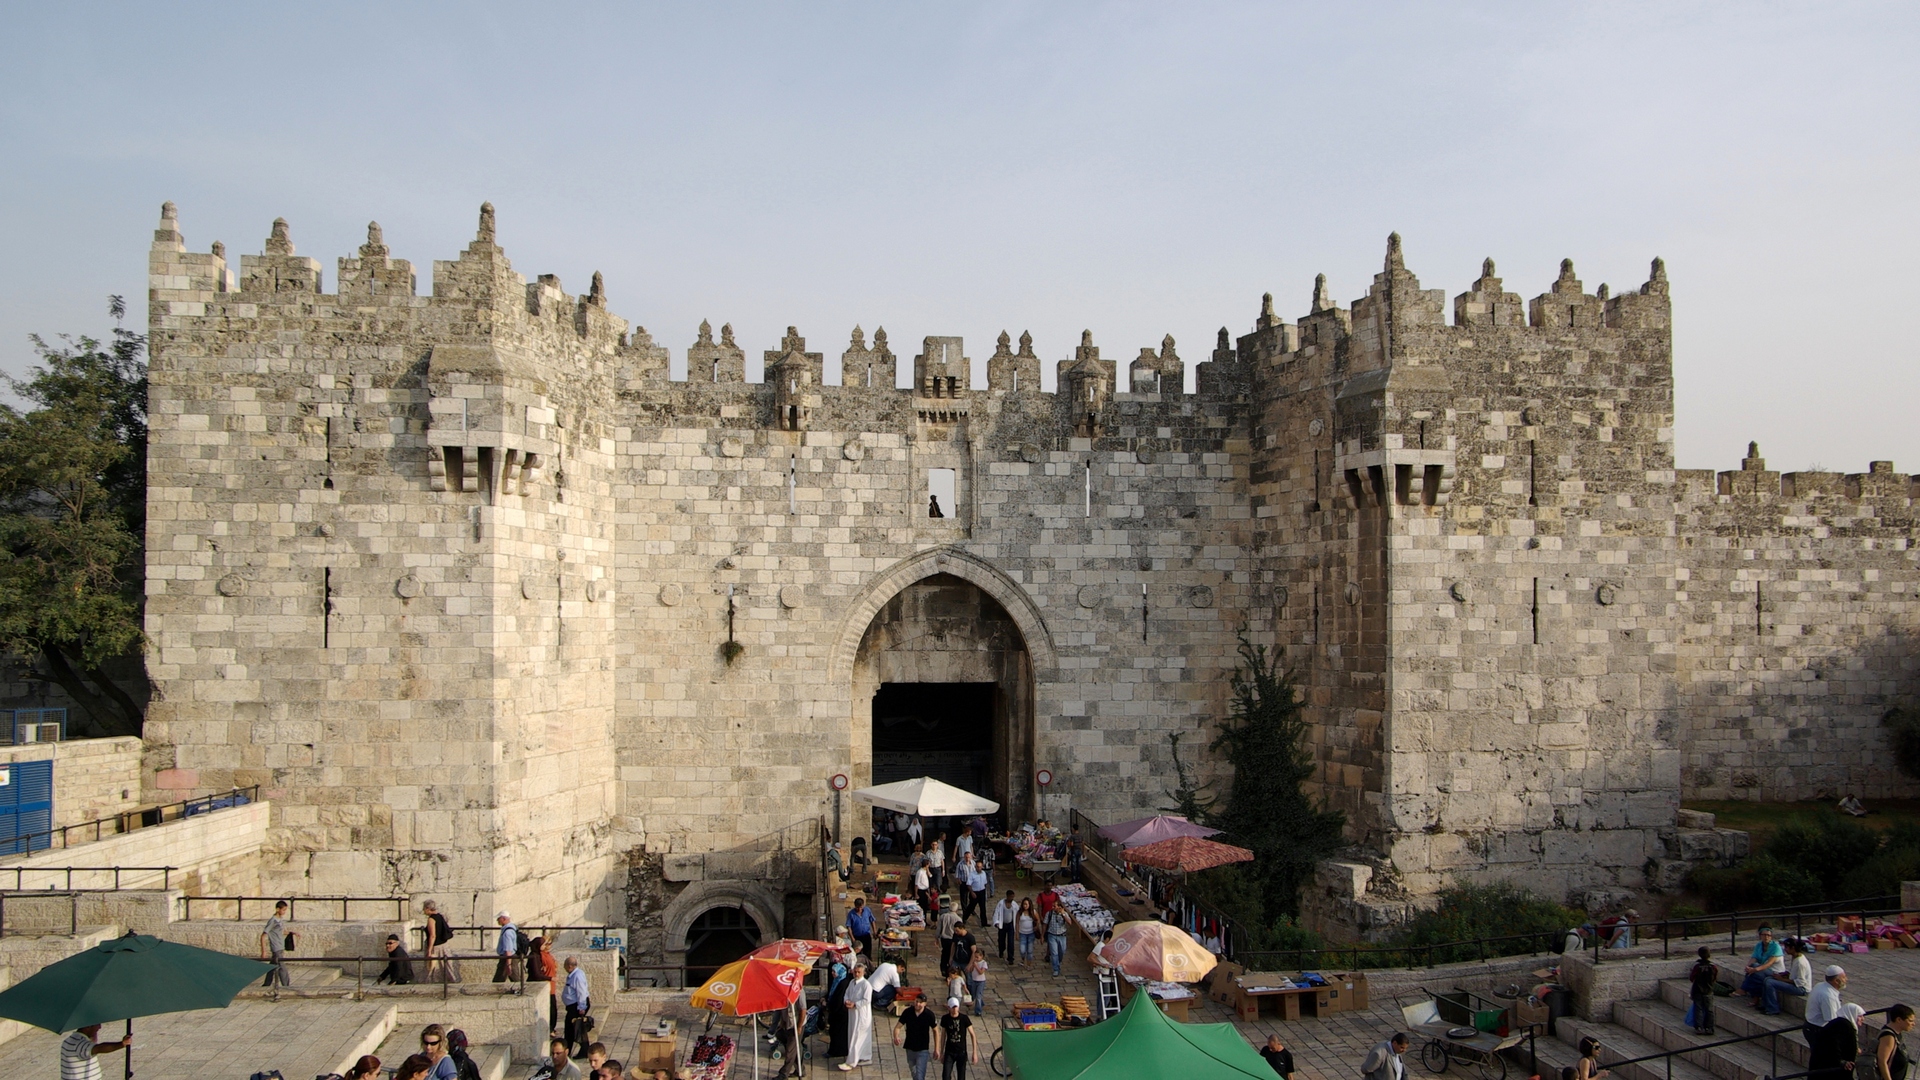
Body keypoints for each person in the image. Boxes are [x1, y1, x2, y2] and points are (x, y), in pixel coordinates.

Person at [1812, 1004, 1867, 1080]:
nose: (1863, 1019)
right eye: (1860, 1016)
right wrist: (1841, 1062)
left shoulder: (1842, 1024)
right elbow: (1832, 1046)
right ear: (1852, 1013)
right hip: (1830, 1069)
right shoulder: (1843, 1025)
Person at [1761, 937, 1813, 1016]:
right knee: (1767, 979)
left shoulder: (1800, 962)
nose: (1785, 949)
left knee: (1769, 983)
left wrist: (1781, 979)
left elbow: (1800, 982)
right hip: (1796, 984)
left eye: (1786, 947)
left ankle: (1773, 1009)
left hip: (1802, 989)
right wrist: (1785, 974)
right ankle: (1765, 1005)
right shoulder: (1795, 957)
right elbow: (1794, 974)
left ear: (1793, 948)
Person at [59, 1023, 131, 1080]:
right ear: (88, 1027)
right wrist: (122, 1044)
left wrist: (92, 1037)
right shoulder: (79, 1045)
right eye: (97, 1024)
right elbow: (99, 1048)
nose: (100, 1027)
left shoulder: (70, 1040)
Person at [1809, 967, 1850, 1067]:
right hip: (1817, 1029)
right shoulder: (1828, 996)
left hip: (1812, 1026)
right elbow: (1832, 1021)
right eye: (1844, 977)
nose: (1846, 979)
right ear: (1836, 980)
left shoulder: (1821, 986)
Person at [895, 993, 940, 1080]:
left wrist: (937, 1048)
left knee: (920, 1076)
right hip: (910, 1047)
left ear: (925, 1004)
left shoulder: (929, 1015)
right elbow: (898, 1027)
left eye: (920, 1002)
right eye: (916, 1001)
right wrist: (896, 1036)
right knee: (914, 1073)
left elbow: (936, 1031)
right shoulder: (908, 1012)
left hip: (922, 1049)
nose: (918, 1004)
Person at [840, 959, 874, 1071]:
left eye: (859, 972)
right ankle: (863, 1056)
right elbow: (847, 994)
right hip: (852, 1013)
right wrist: (846, 1001)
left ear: (863, 972)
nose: (856, 974)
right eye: (855, 972)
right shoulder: (852, 982)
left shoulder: (866, 985)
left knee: (858, 1036)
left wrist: (855, 1004)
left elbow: (866, 1000)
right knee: (852, 1034)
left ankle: (852, 1061)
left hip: (861, 1014)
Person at [1737, 926, 1786, 997]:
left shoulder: (1776, 947)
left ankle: (1743, 989)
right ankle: (1754, 997)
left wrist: (1755, 969)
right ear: (1760, 936)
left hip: (1775, 972)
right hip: (1763, 969)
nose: (1766, 937)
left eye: (1768, 935)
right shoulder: (1759, 945)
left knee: (1754, 971)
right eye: (1764, 935)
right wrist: (1748, 967)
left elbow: (1769, 963)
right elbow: (1754, 957)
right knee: (1751, 970)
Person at [937, 996, 978, 1080]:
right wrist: (941, 1052)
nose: (954, 1009)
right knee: (946, 1076)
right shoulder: (945, 1019)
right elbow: (943, 1035)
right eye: (952, 1007)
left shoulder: (964, 1018)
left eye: (956, 1007)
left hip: (961, 1052)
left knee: (961, 1076)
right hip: (949, 1051)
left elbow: (972, 1034)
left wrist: (974, 1053)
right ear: (949, 1008)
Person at [561, 955, 593, 1058]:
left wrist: (581, 1008)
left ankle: (567, 1052)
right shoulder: (573, 975)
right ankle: (583, 1050)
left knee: (571, 1029)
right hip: (573, 1006)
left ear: (570, 966)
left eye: (565, 966)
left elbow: (581, 992)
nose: (564, 968)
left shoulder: (577, 976)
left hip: (576, 1006)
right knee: (577, 1028)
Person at [1874, 1003, 1915, 1080]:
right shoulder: (1888, 1036)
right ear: (1899, 1020)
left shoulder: (1897, 1034)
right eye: (1910, 1021)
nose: (1913, 1024)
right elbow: (1882, 1062)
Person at [261, 899, 295, 989]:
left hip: (280, 946)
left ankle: (266, 984)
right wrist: (263, 951)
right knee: (282, 967)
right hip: (276, 947)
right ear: (277, 909)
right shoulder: (273, 921)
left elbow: (281, 932)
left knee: (273, 966)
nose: (284, 912)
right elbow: (263, 935)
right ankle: (286, 986)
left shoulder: (280, 920)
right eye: (283, 910)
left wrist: (292, 933)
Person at [423, 899, 459, 983]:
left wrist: (429, 949)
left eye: (424, 908)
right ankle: (452, 981)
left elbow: (432, 935)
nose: (423, 911)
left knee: (431, 967)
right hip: (444, 945)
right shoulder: (440, 916)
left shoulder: (431, 919)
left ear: (428, 908)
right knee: (446, 966)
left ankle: (430, 983)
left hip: (435, 947)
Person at [1689, 946, 1719, 1035]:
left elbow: (1692, 978)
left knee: (1698, 1009)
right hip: (1709, 990)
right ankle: (1709, 1027)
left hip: (1698, 990)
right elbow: (1715, 978)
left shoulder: (1697, 966)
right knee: (1709, 1009)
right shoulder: (1713, 966)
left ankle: (1699, 1027)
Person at [1044, 901, 1070, 977]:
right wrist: (1043, 935)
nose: (1052, 908)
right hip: (1052, 935)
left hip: (1062, 936)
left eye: (1054, 906)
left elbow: (1069, 922)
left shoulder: (1064, 913)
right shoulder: (1049, 913)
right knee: (1054, 953)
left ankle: (1058, 962)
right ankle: (1056, 969)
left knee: (1062, 951)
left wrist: (1063, 914)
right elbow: (1045, 924)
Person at [493, 911, 520, 983]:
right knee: (501, 978)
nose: (497, 920)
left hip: (507, 958)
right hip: (508, 957)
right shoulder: (511, 929)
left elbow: (508, 949)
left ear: (504, 919)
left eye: (499, 918)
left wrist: (508, 964)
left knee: (513, 978)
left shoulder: (507, 932)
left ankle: (522, 990)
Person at [992, 891, 1019, 959]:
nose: (1012, 898)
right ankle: (1001, 951)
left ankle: (1010, 957)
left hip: (1010, 925)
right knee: (1001, 940)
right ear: (1007, 896)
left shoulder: (1015, 905)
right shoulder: (1001, 903)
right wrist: (996, 922)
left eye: (1013, 897)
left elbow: (1018, 914)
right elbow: (996, 913)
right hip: (1002, 924)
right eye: (1010, 897)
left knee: (1010, 942)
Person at [937, 898, 961, 972]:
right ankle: (951, 969)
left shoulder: (943, 916)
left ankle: (944, 969)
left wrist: (936, 937)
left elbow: (939, 928)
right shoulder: (958, 919)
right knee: (952, 954)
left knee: (944, 953)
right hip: (952, 938)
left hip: (944, 938)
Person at [965, 946, 989, 1017]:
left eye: (977, 957)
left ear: (981, 957)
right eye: (975, 957)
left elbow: (981, 972)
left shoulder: (984, 963)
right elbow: (971, 970)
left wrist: (976, 966)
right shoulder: (974, 962)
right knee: (975, 995)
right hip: (974, 980)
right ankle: (981, 1003)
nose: (975, 958)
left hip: (981, 981)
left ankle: (978, 1011)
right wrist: (971, 966)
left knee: (978, 996)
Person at [1015, 898, 1037, 966]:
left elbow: (1037, 919)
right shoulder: (1020, 912)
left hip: (1031, 934)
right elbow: (1017, 923)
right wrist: (1017, 933)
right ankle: (1023, 959)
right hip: (1022, 934)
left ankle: (1028, 964)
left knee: (1030, 950)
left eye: (1027, 904)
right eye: (1024, 904)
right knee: (1022, 950)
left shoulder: (1033, 912)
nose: (1025, 906)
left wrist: (1036, 927)